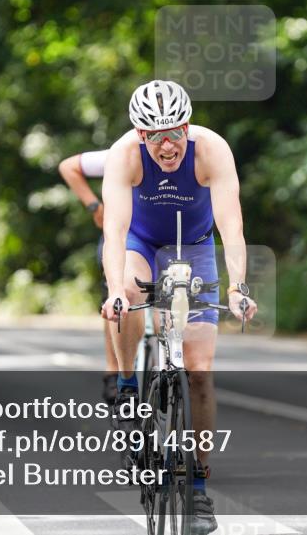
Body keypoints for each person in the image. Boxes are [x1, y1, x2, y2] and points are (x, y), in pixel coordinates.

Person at [100, 80, 258, 535]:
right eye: (154, 135)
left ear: (188, 126)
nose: (167, 145)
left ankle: (199, 489)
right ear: (138, 135)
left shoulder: (212, 150)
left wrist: (237, 288)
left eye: (175, 132)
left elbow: (232, 225)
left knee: (200, 370)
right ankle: (129, 386)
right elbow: (115, 229)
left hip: (193, 245)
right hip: (142, 242)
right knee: (129, 295)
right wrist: (114, 288)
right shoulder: (124, 155)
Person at [58, 149, 117, 406]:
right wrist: (95, 206)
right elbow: (68, 166)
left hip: (164, 238)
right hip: (121, 236)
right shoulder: (123, 154)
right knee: (114, 295)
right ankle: (114, 369)